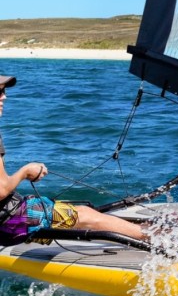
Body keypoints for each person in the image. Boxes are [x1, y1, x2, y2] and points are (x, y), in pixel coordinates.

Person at [0, 75, 147, 246]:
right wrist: (26, 171)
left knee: (65, 211)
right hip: (10, 221)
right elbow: (1, 190)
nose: (4, 97)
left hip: (7, 216)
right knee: (85, 215)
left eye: (3, 91)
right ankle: (156, 238)